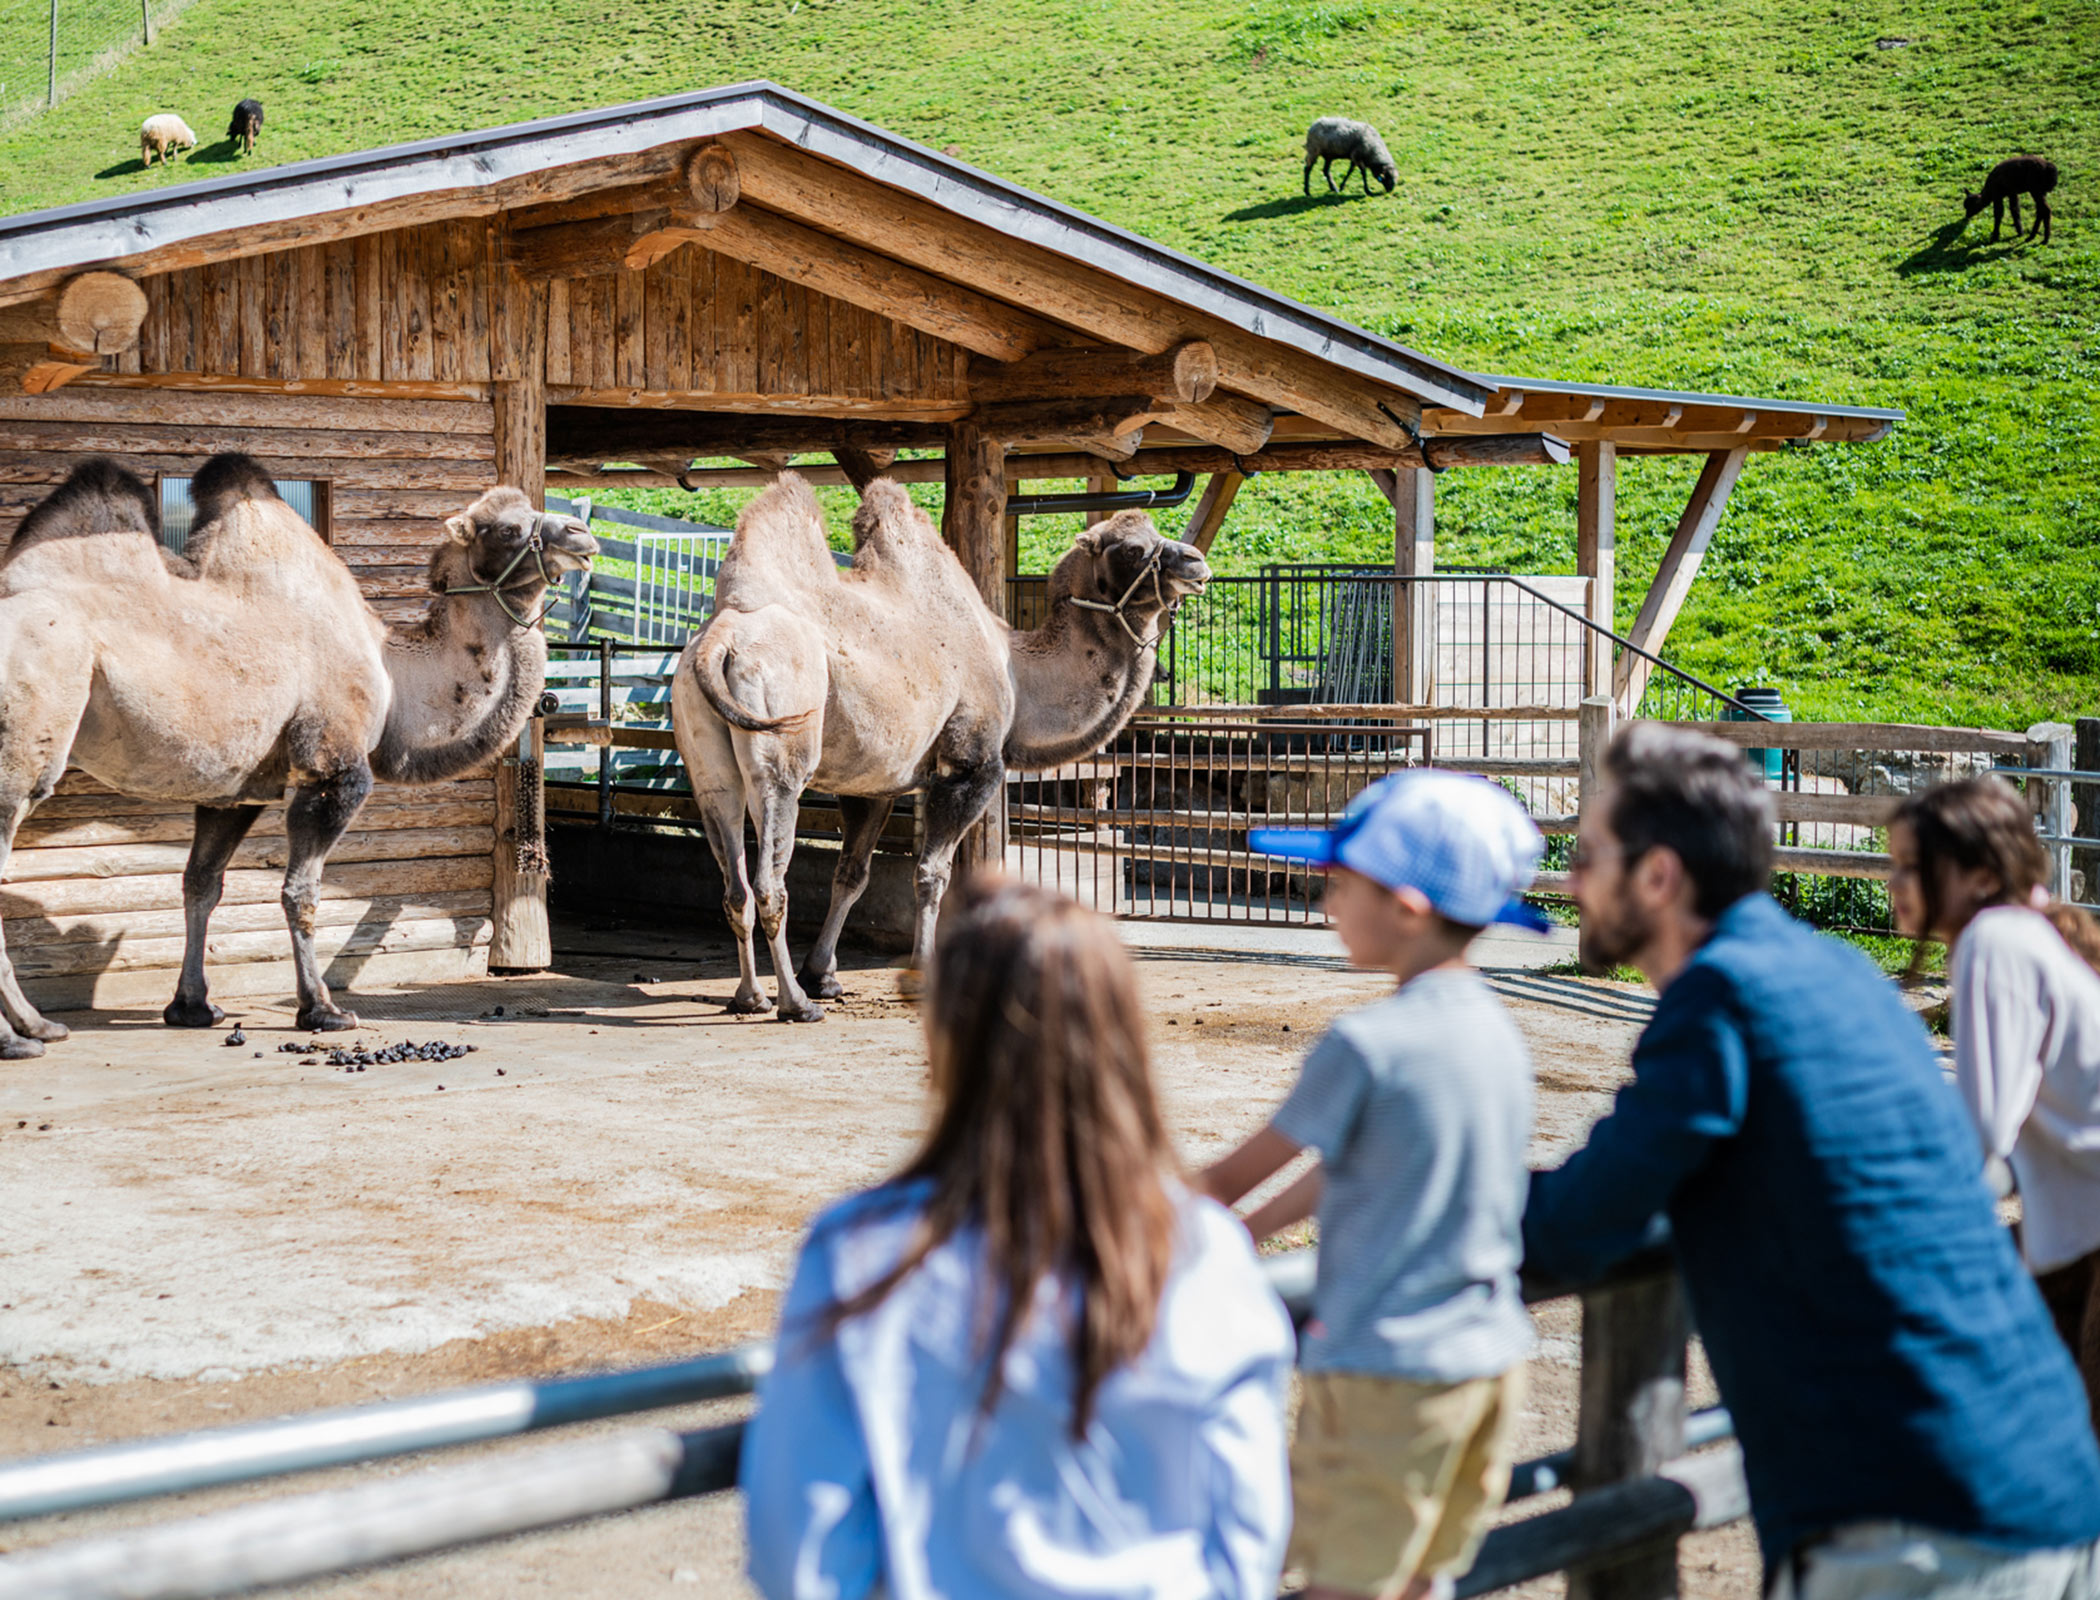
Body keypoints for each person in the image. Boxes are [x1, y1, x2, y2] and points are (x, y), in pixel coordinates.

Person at [1526, 722, 2100, 1600]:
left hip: (1913, 1521)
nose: (1569, 877)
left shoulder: (1721, 999)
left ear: (1659, 875)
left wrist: (1419, 1198)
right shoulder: (1836, 970)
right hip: (2045, 1482)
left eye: (1589, 850)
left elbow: (1576, 1223)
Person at [739, 877, 1295, 1600]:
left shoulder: (857, 1251)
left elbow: (800, 1552)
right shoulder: (1206, 1251)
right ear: (1123, 1041)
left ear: (944, 1043)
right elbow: (1248, 1530)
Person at [1202, 770, 1548, 1600]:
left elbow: (1229, 1177)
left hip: (1385, 1373)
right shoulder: (1497, 1032)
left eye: (1338, 883)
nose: (1324, 901)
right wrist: (1249, 1232)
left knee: (1342, 1587)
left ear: (1407, 906)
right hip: (1490, 1363)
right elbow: (1352, 1164)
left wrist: (1120, 1221)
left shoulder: (1368, 1043)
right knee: (1422, 1581)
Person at [1889, 775, 2100, 1426]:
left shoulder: (1995, 941)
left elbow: (1983, 1131)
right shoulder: (2035, 931)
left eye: (1910, 867)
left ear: (1979, 875)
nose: (1893, 883)